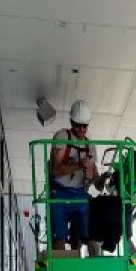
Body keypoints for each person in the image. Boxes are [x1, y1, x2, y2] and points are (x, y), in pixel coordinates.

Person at [48, 100, 99, 255]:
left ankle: (96, 267)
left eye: (85, 126)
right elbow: (55, 169)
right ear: (71, 122)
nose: (82, 129)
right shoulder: (63, 136)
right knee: (59, 237)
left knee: (92, 234)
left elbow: (95, 176)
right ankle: (62, 270)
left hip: (80, 194)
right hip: (60, 195)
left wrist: (100, 180)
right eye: (78, 125)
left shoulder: (90, 146)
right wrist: (78, 165)